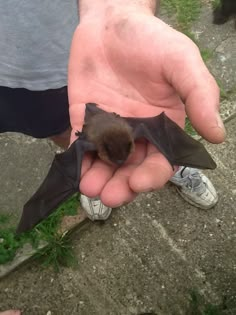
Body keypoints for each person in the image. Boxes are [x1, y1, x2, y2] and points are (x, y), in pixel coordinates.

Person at [0, 1, 225, 314]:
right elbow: (92, 136)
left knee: (80, 130)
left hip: (80, 46)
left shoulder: (135, 129)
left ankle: (170, 159)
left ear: (135, 140)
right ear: (99, 150)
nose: (120, 161)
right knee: (57, 126)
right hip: (13, 80)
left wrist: (116, 10)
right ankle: (75, 164)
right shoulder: (90, 142)